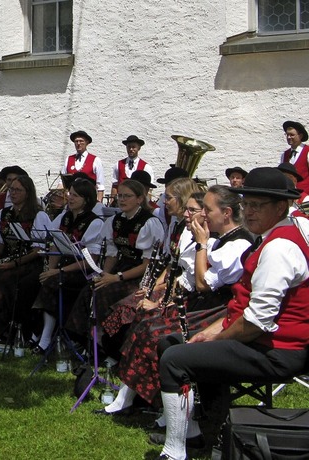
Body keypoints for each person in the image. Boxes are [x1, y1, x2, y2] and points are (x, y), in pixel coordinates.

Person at [155, 167, 309, 460]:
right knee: (173, 343)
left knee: (175, 359)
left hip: (278, 350)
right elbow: (245, 309)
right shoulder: (283, 230)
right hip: (260, 337)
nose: (248, 211)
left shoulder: (279, 248)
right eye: (245, 204)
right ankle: (202, 432)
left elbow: (257, 322)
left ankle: (174, 452)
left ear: (281, 207)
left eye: (257, 205)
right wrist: (211, 333)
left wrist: (218, 338)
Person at [99, 187, 252, 418]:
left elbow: (202, 284)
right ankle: (132, 396)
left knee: (155, 332)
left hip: (218, 310)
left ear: (227, 213)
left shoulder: (236, 244)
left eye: (206, 210)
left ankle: (165, 407)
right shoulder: (219, 239)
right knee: (143, 323)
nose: (202, 215)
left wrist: (201, 244)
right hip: (204, 304)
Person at [99, 178, 199, 363]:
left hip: (182, 288)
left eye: (168, 197)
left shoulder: (188, 230)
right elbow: (170, 261)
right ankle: (112, 351)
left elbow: (183, 270)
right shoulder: (175, 224)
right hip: (166, 281)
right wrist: (154, 286)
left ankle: (124, 358)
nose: (164, 201)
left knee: (128, 308)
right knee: (122, 305)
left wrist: (157, 291)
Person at [65, 179, 164, 344]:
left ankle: (102, 343)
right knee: (90, 289)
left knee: (104, 294)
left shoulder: (149, 223)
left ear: (140, 199)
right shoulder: (115, 221)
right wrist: (104, 275)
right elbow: (112, 254)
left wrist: (116, 278)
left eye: (127, 196)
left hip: (140, 275)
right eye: (120, 196)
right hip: (121, 268)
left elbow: (148, 265)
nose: (122, 200)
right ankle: (80, 339)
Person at [0, 175, 52, 344]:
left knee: (1, 281)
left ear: (28, 193)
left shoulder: (38, 216)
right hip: (9, 260)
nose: (13, 193)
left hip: (30, 263)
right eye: (11, 189)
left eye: (18, 190)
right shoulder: (4, 214)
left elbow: (38, 249)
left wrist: (12, 264)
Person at [30, 178, 104, 353]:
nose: (70, 198)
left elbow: (90, 260)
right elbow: (55, 243)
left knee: (52, 283)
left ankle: (45, 337)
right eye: (70, 193)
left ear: (86, 199)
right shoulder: (65, 217)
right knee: (37, 279)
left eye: (75, 195)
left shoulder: (95, 222)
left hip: (81, 271)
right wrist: (50, 269)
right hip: (61, 267)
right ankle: (35, 329)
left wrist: (57, 271)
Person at [61, 130, 105, 202]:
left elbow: (100, 185)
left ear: (87, 142)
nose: (78, 143)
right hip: (71, 201)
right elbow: (62, 183)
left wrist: (99, 203)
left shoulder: (96, 160)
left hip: (89, 200)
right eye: (76, 141)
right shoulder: (68, 159)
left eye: (81, 141)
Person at [111, 135, 155, 202]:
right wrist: (112, 201)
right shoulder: (118, 165)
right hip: (120, 202)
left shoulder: (146, 167)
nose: (131, 149)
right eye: (129, 147)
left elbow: (148, 190)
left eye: (134, 147)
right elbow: (115, 185)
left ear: (139, 148)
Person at [280, 120, 309, 194]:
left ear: (300, 136)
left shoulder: (307, 152)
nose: (289, 137)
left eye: (292, 135)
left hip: (305, 196)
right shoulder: (284, 155)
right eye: (287, 135)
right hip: (289, 195)